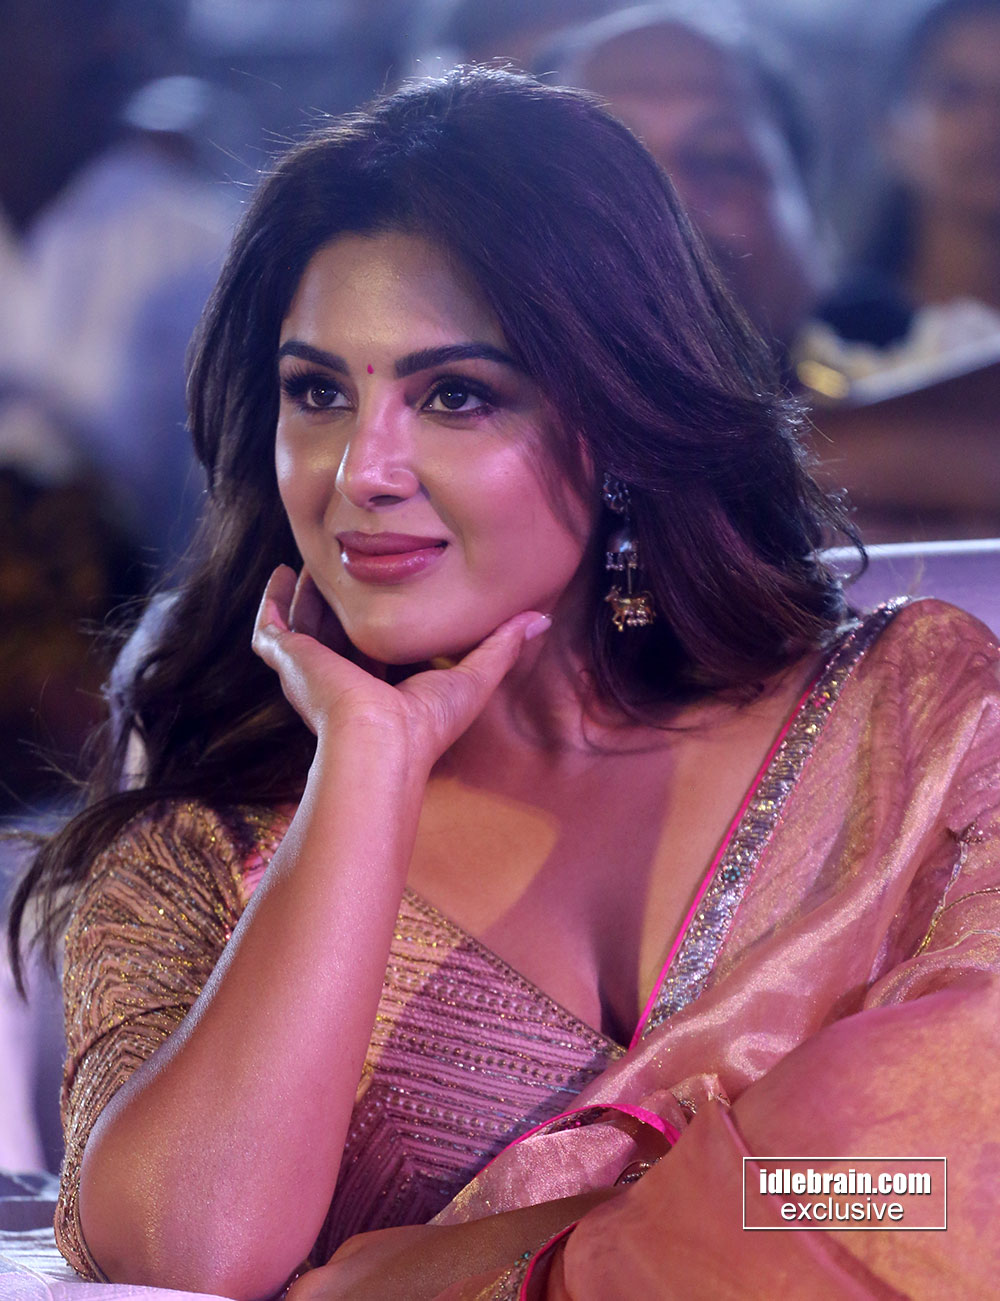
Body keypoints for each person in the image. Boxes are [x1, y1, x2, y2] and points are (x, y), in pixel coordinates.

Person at [6, 67, 1000, 1300]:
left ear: (621, 418)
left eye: (456, 395)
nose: (362, 471)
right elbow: (180, 1258)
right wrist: (366, 766)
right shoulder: (198, 855)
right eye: (318, 392)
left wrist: (473, 1264)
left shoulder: (917, 723)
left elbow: (949, 1178)